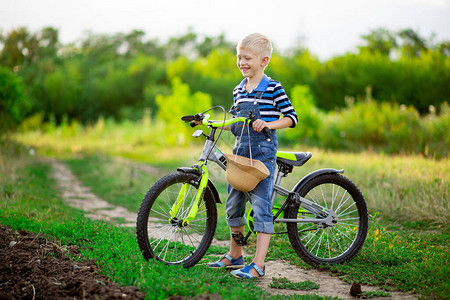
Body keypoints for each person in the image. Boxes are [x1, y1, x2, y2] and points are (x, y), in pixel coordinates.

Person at [207, 33, 298, 279]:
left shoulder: (273, 87)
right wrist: (214, 124)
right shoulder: (239, 89)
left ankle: (259, 264)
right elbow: (237, 123)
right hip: (240, 154)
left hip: (262, 155)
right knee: (233, 205)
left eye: (247, 58)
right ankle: (235, 255)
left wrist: (268, 123)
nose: (241, 62)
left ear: (264, 60)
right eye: (239, 57)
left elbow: (291, 118)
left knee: (261, 207)